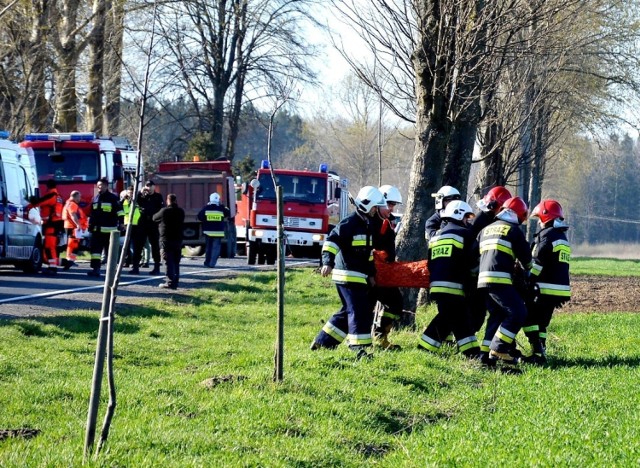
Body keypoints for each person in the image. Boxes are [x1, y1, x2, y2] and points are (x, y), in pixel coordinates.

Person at [310, 186, 387, 359]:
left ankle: (323, 342)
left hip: (358, 277)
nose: (376, 210)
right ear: (367, 205)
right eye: (375, 207)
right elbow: (331, 242)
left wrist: (371, 274)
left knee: (348, 311)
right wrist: (327, 263)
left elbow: (367, 255)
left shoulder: (367, 225)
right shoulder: (350, 223)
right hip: (346, 276)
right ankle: (358, 349)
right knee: (358, 310)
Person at [418, 200, 480, 358]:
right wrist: (473, 280)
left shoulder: (436, 237)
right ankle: (425, 348)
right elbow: (472, 262)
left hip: (436, 285)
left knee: (454, 318)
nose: (468, 221)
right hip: (454, 286)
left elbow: (431, 263)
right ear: (459, 215)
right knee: (453, 318)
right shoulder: (465, 234)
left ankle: (471, 352)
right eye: (467, 217)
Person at [477, 197, 533, 366]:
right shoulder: (513, 230)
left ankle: (484, 357)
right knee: (518, 313)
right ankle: (499, 349)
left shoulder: (485, 229)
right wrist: (527, 271)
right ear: (518, 215)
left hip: (482, 281)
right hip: (499, 280)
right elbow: (527, 259)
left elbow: (475, 253)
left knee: (497, 315)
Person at [521, 199, 571, 365]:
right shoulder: (562, 237)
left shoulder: (545, 236)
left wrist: (528, 279)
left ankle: (537, 352)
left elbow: (538, 262)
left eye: (539, 219)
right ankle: (541, 350)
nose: (539, 223)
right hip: (559, 291)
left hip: (544, 288)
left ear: (545, 217)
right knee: (541, 322)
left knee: (529, 318)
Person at [468, 186, 513, 334]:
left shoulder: (489, 219)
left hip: (485, 271)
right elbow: (473, 249)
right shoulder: (482, 220)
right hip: (477, 273)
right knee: (477, 312)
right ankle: (466, 342)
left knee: (488, 311)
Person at [371, 184, 404, 350]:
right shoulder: (372, 222)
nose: (392, 208)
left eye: (394, 205)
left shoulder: (387, 222)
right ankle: (373, 338)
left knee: (395, 302)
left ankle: (380, 336)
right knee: (392, 302)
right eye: (389, 204)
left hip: (383, 272)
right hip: (373, 273)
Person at [87, 178, 124, 277]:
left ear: (106, 186)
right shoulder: (95, 198)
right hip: (96, 231)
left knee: (110, 252)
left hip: (109, 231)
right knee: (95, 252)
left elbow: (120, 211)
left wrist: (121, 223)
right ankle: (96, 269)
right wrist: (90, 225)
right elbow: (92, 214)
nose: (99, 187)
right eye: (98, 185)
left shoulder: (113, 198)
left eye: (101, 185)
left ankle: (111, 271)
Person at [153, 193, 185, 289]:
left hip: (166, 239)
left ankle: (170, 282)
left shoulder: (164, 211)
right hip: (177, 239)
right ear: (176, 200)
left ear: (168, 201)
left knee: (167, 261)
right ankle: (176, 281)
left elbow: (154, 218)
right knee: (176, 261)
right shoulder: (181, 211)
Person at [35, 180, 65, 275]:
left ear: (47, 186)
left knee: (49, 247)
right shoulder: (59, 196)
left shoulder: (51, 195)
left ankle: (53, 268)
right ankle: (54, 265)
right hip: (56, 225)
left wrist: (28, 206)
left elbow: (38, 203)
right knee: (50, 247)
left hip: (51, 225)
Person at [136, 180, 165, 275]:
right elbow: (135, 201)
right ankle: (135, 267)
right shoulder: (142, 196)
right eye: (147, 186)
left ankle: (156, 267)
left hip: (153, 223)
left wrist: (157, 219)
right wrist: (140, 192)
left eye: (150, 186)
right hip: (143, 222)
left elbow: (162, 209)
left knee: (155, 246)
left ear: (154, 187)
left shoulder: (158, 196)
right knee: (139, 244)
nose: (148, 188)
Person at [197, 192, 231, 268]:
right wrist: (222, 205)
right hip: (218, 232)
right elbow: (228, 213)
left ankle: (207, 263)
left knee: (208, 248)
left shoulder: (206, 208)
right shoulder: (221, 208)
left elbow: (200, 217)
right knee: (216, 249)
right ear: (218, 199)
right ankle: (212, 263)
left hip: (208, 232)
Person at [61, 190, 88, 270]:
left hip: (72, 227)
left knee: (73, 245)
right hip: (73, 227)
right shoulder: (72, 204)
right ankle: (69, 261)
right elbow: (73, 215)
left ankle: (70, 261)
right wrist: (78, 225)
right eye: (79, 197)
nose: (80, 199)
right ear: (75, 196)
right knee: (73, 245)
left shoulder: (69, 203)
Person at [121, 186, 143, 273]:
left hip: (137, 225)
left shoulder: (139, 200)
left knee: (136, 247)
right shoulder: (125, 200)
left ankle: (135, 266)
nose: (131, 194)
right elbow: (120, 207)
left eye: (132, 192)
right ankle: (127, 261)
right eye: (129, 192)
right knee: (126, 245)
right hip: (128, 225)